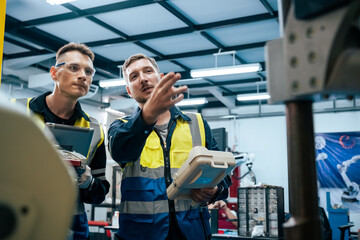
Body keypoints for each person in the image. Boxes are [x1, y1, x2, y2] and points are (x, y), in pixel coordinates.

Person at [108, 53, 231, 240]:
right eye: (134, 76)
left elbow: (223, 176)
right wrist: (147, 116)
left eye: (148, 71)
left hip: (192, 232)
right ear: (129, 91)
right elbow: (120, 151)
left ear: (162, 78)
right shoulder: (121, 128)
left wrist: (214, 192)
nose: (143, 78)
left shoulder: (197, 123)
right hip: (140, 234)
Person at [14, 42, 110, 240]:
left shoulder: (95, 129)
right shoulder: (16, 113)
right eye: (74, 68)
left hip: (70, 228)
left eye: (89, 72)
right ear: (53, 73)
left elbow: (99, 193)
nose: (83, 76)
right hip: (17, 220)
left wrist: (88, 182)